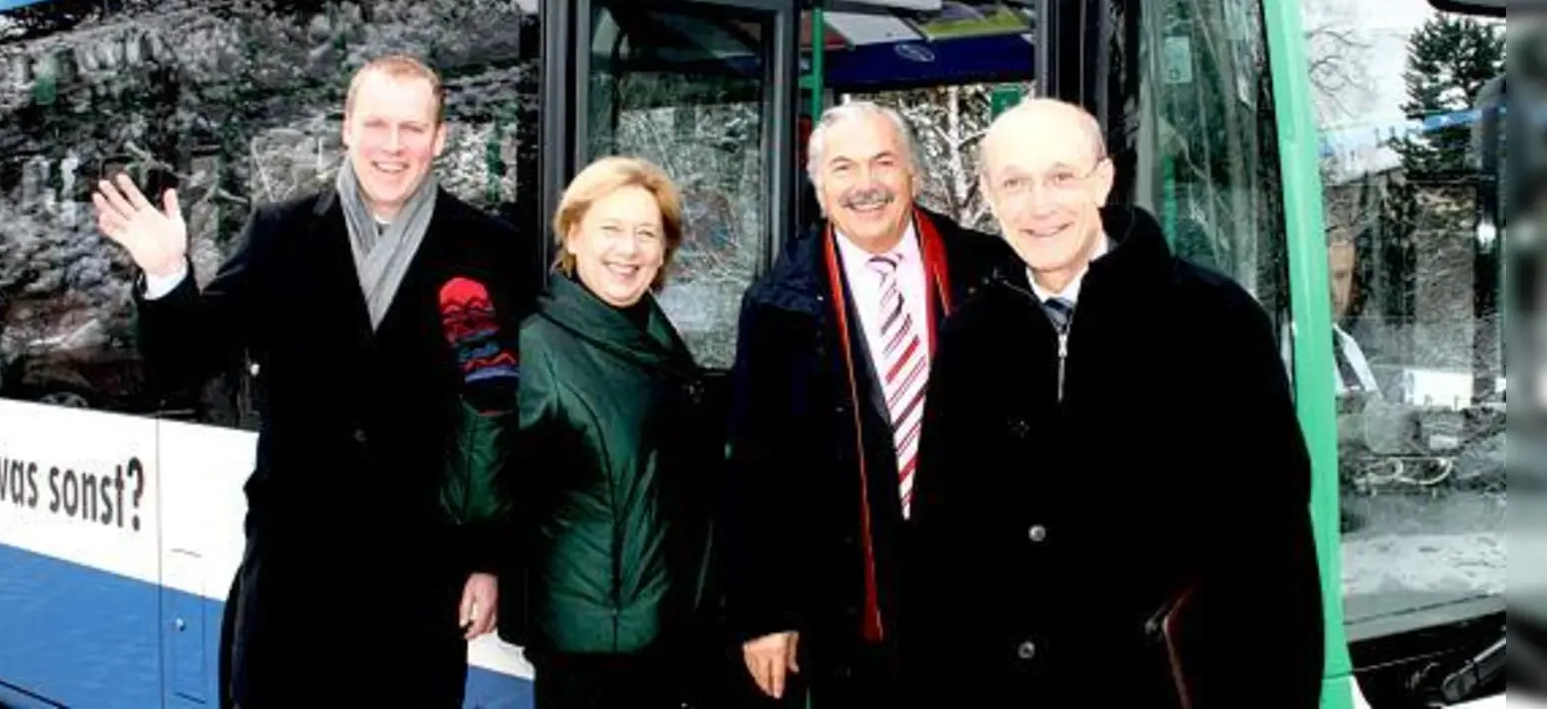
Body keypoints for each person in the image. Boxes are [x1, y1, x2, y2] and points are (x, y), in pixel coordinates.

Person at [93, 55, 523, 708]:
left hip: (418, 581)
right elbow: (186, 367)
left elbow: (497, 413)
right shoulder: (281, 233)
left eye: (412, 128)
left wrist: (488, 559)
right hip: (294, 572)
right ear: (346, 129)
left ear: (440, 139)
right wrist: (167, 274)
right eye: (376, 124)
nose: (393, 145)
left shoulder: (486, 249)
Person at [910, 97, 1324, 708]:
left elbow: (1272, 552)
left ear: (1103, 179)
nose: (1039, 205)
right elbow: (940, 549)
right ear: (990, 197)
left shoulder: (1213, 320)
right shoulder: (971, 333)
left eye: (1060, 177)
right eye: (1015, 183)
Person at [722, 100, 1011, 706]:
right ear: (820, 188)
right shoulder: (777, 303)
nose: (866, 185)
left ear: (914, 175)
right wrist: (764, 613)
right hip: (847, 603)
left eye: (884, 162)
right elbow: (756, 466)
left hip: (980, 590)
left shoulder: (990, 272)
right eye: (844, 169)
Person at [490, 156, 721, 709]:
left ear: (663, 250)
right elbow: (486, 485)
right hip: (591, 649)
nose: (629, 249)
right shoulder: (537, 346)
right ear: (572, 234)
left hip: (662, 634)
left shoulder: (654, 341)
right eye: (610, 229)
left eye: (646, 233)